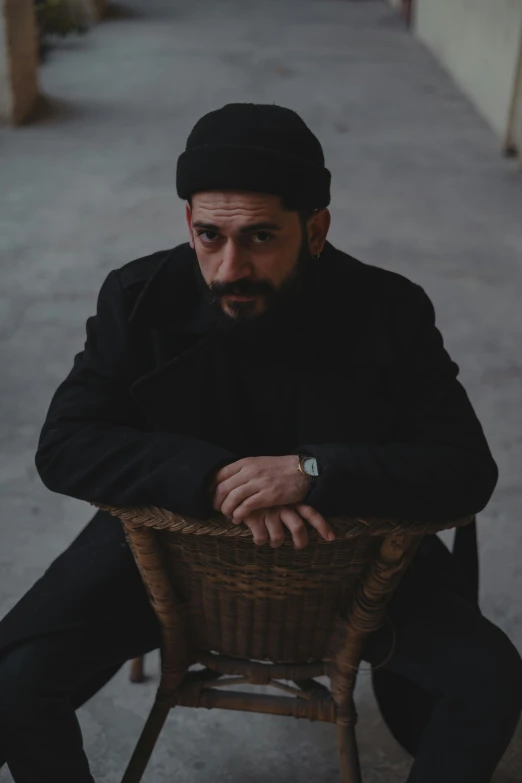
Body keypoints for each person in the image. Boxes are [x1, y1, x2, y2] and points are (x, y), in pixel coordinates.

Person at [0, 103, 520, 783]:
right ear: (189, 222)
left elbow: (465, 468)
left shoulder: (390, 309)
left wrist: (311, 469)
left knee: (491, 684)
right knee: (16, 681)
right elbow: (65, 443)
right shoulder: (136, 296)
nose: (228, 267)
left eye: (260, 237)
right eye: (210, 235)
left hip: (354, 559)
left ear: (316, 229)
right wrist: (217, 476)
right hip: (162, 553)